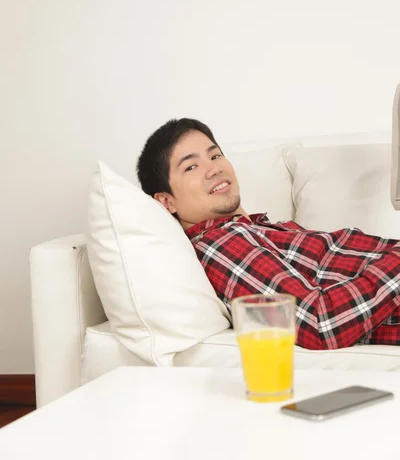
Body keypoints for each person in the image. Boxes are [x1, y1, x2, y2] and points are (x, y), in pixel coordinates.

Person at [137, 118, 400, 350]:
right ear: (166, 201)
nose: (214, 168)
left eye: (215, 156)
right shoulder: (222, 244)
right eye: (191, 167)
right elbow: (318, 322)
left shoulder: (259, 229)